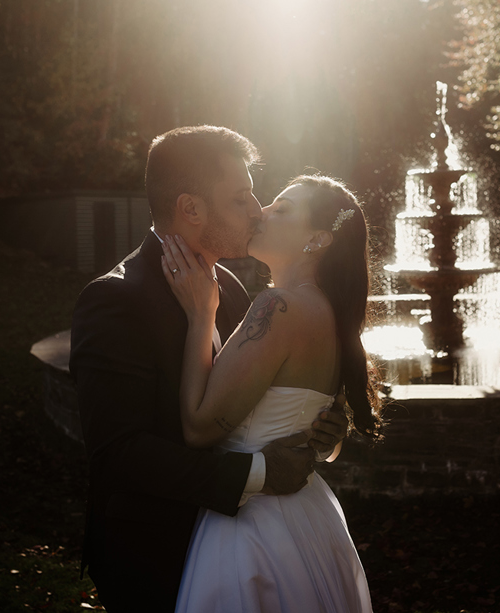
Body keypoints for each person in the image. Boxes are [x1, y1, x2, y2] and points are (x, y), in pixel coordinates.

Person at [69, 126, 350, 612]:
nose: (257, 210)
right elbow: (118, 453)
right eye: (241, 197)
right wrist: (261, 471)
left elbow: (243, 404)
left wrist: (319, 426)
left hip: (242, 550)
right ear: (191, 208)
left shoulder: (235, 292)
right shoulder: (115, 300)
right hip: (155, 554)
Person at [161, 174, 383, 612]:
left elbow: (199, 427)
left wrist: (200, 314)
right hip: (310, 520)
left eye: (282, 209)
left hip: (254, 528)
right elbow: (322, 436)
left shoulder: (278, 307)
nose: (262, 212)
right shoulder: (333, 315)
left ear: (317, 238)